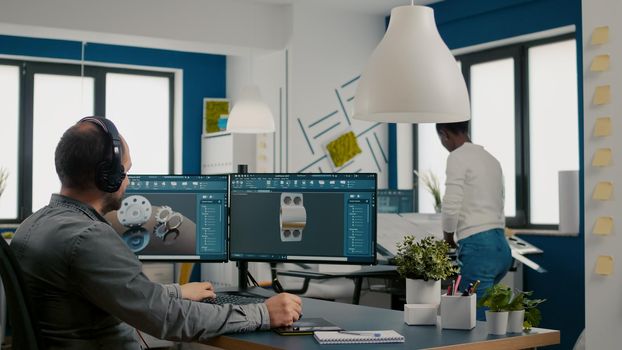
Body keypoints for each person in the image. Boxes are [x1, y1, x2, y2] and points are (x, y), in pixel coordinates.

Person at [11, 116, 302, 349]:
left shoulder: (32, 226)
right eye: (125, 172)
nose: (127, 181)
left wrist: (175, 291)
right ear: (108, 177)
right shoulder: (88, 238)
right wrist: (263, 313)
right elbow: (167, 319)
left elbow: (105, 290)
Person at [436, 121, 512, 320]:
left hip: (479, 248)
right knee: (491, 321)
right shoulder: (491, 159)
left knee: (471, 321)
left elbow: (451, 203)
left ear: (444, 134)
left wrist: (448, 238)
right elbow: (500, 199)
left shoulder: (457, 156)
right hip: (501, 248)